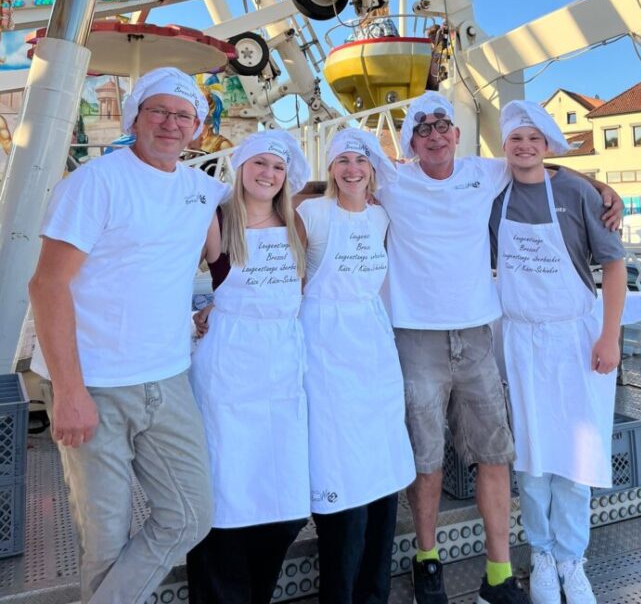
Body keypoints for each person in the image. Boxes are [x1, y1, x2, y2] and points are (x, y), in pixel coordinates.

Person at [375, 91, 622, 604]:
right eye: (422, 130)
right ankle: (439, 558)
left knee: (520, 454)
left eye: (443, 125)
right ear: (409, 142)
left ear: (458, 136)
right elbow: (335, 179)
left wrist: (599, 186)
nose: (435, 135)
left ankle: (526, 568)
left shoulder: (486, 175)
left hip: (501, 337)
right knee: (459, 457)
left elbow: (537, 162)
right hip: (444, 337)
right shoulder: (392, 180)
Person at [28, 66, 229, 604]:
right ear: (135, 117)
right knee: (106, 539)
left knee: (191, 515)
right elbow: (47, 286)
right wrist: (69, 392)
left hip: (168, 376)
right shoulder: (95, 182)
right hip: (92, 383)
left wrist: (211, 307)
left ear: (197, 128)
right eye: (158, 111)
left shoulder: (201, 191)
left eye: (183, 115)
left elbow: (233, 251)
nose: (170, 123)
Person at [489, 101, 626, 604]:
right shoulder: (494, 193)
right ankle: (541, 554)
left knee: (575, 453)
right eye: (515, 139)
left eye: (533, 138)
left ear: (547, 145)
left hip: (575, 340)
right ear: (503, 147)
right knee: (530, 456)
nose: (524, 147)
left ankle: (572, 559)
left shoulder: (574, 191)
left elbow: (612, 268)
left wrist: (609, 335)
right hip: (520, 340)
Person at [186, 130, 311, 604]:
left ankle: (260, 590)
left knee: (281, 492)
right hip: (228, 371)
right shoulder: (218, 221)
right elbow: (165, 274)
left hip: (281, 367)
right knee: (228, 488)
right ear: (240, 168)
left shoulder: (294, 224)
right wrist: (198, 315)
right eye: (259, 164)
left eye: (277, 168)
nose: (268, 174)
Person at [296, 128, 415, 604]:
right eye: (342, 161)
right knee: (339, 471)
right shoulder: (312, 213)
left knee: (381, 469)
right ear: (330, 169)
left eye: (360, 162)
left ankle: (374, 594)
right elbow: (287, 274)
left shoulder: (383, 217)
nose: (351, 170)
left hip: (374, 350)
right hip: (325, 350)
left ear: (372, 170)